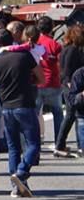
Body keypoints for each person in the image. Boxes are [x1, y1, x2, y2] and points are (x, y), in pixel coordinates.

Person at [0, 29, 44, 198]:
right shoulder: (25, 57)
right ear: (14, 40)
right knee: (33, 144)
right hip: (24, 104)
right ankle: (21, 172)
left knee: (13, 147)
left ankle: (16, 186)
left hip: (5, 108)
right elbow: (42, 78)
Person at [33, 16, 64, 148]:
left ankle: (34, 143)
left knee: (34, 115)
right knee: (57, 113)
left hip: (36, 84)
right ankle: (59, 142)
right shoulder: (55, 45)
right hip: (53, 83)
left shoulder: (33, 43)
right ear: (52, 28)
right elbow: (61, 65)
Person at [55, 24, 84, 156]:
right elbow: (67, 70)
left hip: (70, 84)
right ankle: (60, 144)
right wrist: (69, 83)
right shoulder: (72, 50)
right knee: (71, 115)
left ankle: (79, 144)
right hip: (71, 85)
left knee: (75, 115)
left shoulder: (68, 48)